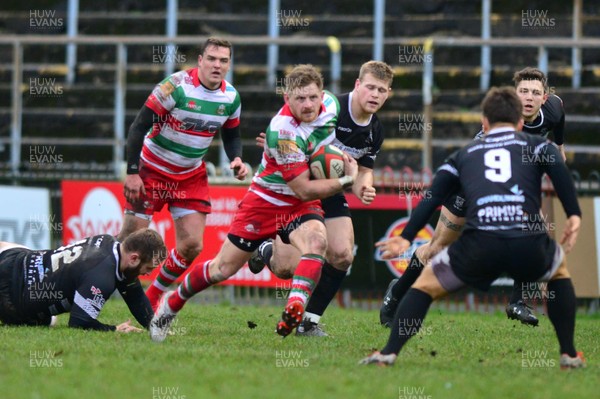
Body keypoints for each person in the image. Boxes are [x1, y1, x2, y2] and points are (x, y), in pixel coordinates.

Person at [361, 86, 585, 369]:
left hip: (480, 244)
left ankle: (388, 353)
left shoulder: (464, 154)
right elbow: (561, 174)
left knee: (426, 285)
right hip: (526, 244)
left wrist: (406, 237)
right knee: (559, 271)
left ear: (484, 123)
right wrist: (574, 215)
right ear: (519, 124)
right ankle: (568, 354)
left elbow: (431, 196)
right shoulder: (539, 146)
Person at [149, 64, 359, 342]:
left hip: (298, 206)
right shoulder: (284, 132)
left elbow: (307, 185)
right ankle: (172, 303)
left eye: (312, 97)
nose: (308, 105)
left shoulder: (332, 105)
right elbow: (304, 188)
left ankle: (294, 307)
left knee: (317, 244)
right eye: (300, 99)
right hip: (266, 201)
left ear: (323, 95)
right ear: (287, 99)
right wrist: (346, 181)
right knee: (222, 268)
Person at [380, 67, 567, 327]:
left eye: (535, 93)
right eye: (523, 91)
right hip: (471, 187)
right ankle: (396, 293)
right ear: (515, 94)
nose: (528, 97)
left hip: (509, 190)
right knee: (437, 248)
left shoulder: (555, 108)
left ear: (545, 98)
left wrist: (559, 148)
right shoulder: (500, 124)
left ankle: (517, 302)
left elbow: (558, 126)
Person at [248, 60, 394, 336]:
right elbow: (291, 126)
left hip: (331, 191)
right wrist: (276, 143)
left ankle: (308, 321)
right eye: (371, 87)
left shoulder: (375, 130)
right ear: (358, 85)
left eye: (382, 90)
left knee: (341, 254)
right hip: (299, 191)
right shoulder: (330, 107)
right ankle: (265, 251)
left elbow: (364, 170)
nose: (375, 95)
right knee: (286, 268)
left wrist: (364, 187)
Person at [116, 37, 249, 311]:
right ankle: (91, 289)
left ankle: (154, 294)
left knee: (191, 246)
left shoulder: (231, 97)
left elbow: (232, 134)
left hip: (189, 176)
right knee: (128, 245)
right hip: (151, 169)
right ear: (200, 60)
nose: (217, 65)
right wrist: (132, 172)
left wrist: (236, 158)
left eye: (223, 60)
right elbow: (138, 127)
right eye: (211, 58)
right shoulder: (175, 87)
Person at [0, 228, 167, 332]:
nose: (147, 273)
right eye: (149, 268)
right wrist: (115, 329)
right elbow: (79, 322)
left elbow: (134, 295)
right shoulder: (101, 278)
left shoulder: (109, 242)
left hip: (16, 258)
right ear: (134, 258)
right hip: (11, 302)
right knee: (49, 320)